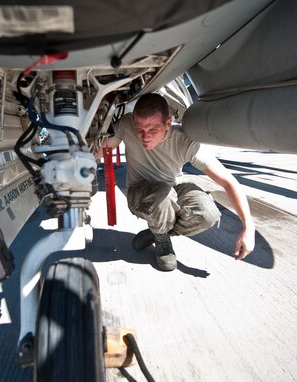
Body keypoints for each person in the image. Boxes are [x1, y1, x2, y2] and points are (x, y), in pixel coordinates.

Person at [100, 93, 255, 271]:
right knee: (162, 195)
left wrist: (248, 228)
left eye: (152, 130)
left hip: (172, 189)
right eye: (140, 129)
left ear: (168, 124)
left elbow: (228, 182)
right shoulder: (126, 125)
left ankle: (157, 234)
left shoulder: (184, 141)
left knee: (208, 214)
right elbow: (101, 148)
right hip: (140, 195)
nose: (145, 136)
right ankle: (162, 240)